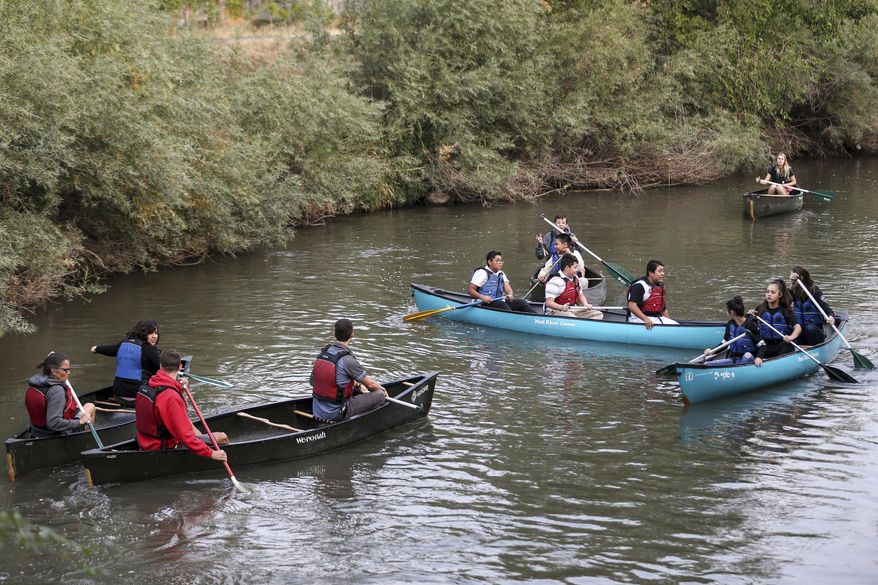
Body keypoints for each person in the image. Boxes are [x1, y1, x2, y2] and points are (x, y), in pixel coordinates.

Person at [135, 349, 228, 461]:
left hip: (144, 440)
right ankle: (208, 447)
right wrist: (211, 453)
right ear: (180, 367)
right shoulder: (171, 396)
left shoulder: (150, 383)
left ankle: (202, 440)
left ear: (160, 365)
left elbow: (165, 398)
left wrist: (179, 387)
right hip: (163, 446)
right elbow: (185, 436)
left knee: (188, 422)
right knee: (222, 437)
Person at [311, 318, 387, 422]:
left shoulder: (322, 355)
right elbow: (371, 385)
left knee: (357, 388)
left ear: (334, 333)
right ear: (352, 334)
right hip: (337, 412)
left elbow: (313, 382)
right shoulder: (347, 360)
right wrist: (383, 390)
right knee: (380, 394)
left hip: (317, 410)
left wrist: (357, 385)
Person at [24, 352, 96, 438]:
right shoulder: (57, 390)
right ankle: (86, 439)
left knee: (88, 406)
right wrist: (80, 422)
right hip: (58, 434)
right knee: (90, 406)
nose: (69, 373)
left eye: (69, 369)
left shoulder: (35, 384)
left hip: (37, 431)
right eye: (65, 370)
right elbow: (54, 423)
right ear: (53, 371)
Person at [92, 319, 161, 404]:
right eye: (151, 333)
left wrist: (96, 349)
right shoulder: (150, 350)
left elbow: (111, 350)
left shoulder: (124, 344)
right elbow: (164, 369)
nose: (154, 336)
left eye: (156, 333)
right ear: (143, 333)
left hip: (118, 395)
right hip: (140, 397)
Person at [750, 279, 802, 366]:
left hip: (781, 345)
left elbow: (798, 327)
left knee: (788, 343)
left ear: (780, 294)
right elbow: (749, 323)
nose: (769, 294)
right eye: (767, 292)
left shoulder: (786, 310)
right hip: (765, 346)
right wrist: (750, 314)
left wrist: (791, 337)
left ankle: (781, 365)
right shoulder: (760, 309)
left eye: (773, 292)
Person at [468, 251, 538, 313]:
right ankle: (513, 319)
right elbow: (470, 290)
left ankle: (535, 316)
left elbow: (508, 289)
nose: (500, 263)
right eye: (497, 261)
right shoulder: (481, 273)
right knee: (502, 305)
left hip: (498, 302)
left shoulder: (501, 273)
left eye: (501, 261)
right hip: (483, 302)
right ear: (489, 262)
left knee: (522, 302)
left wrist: (510, 294)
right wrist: (483, 297)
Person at [704, 297, 764, 366]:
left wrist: (759, 357)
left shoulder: (751, 324)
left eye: (727, 311)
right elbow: (725, 344)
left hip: (749, 359)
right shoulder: (730, 324)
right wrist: (712, 351)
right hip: (734, 359)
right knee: (707, 364)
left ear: (732, 312)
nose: (727, 313)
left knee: (747, 355)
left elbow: (762, 345)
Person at [790, 266, 835, 345]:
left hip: (815, 332)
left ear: (801, 278)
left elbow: (826, 307)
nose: (792, 279)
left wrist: (831, 316)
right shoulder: (793, 291)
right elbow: (784, 301)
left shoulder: (815, 291)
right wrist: (792, 284)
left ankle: (814, 349)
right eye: (791, 278)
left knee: (809, 328)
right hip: (800, 332)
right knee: (796, 328)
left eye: (794, 277)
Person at [626, 260, 678, 329]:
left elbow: (663, 309)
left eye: (663, 271)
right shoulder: (639, 286)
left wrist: (669, 323)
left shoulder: (660, 287)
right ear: (651, 273)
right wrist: (645, 319)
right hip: (639, 319)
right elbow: (631, 306)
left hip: (656, 318)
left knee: (676, 326)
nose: (663, 274)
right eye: (660, 271)